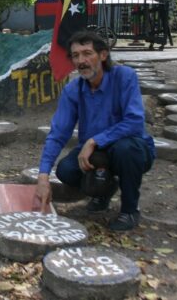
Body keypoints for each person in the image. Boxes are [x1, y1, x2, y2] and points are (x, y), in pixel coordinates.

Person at [33, 30, 155, 231]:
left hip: (131, 148)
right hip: (97, 154)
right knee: (66, 170)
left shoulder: (125, 77)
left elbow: (134, 122)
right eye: (75, 55)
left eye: (87, 53)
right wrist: (43, 176)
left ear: (103, 55)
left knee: (126, 150)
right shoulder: (73, 90)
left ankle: (130, 210)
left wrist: (93, 141)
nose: (81, 60)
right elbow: (58, 133)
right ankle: (103, 193)